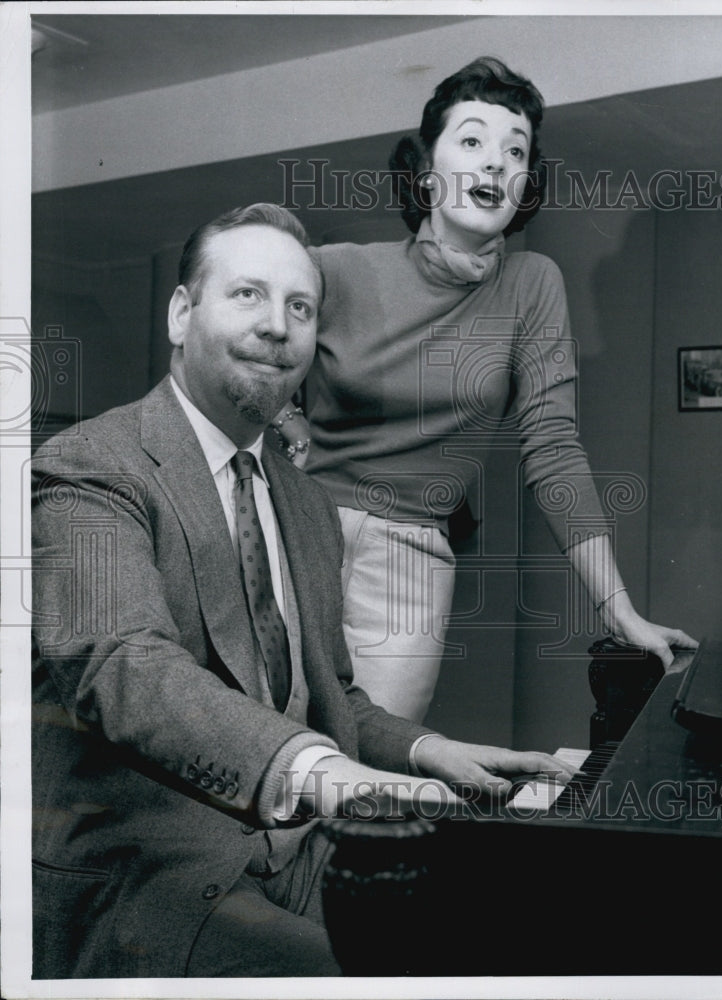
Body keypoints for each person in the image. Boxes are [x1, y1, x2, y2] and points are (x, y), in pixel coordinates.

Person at [31, 203, 579, 980]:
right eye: (247, 294)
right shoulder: (90, 464)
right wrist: (332, 775)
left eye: (300, 307)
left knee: (513, 932)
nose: (278, 326)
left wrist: (433, 751)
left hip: (296, 847)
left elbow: (335, 699)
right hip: (146, 877)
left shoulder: (306, 501)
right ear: (182, 313)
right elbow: (120, 667)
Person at [272, 57, 697, 723]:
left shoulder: (531, 285)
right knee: (260, 760)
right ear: (424, 168)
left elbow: (553, 452)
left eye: (514, 150)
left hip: (410, 558)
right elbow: (236, 351)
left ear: (526, 181)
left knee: (372, 781)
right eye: (471, 140)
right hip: (293, 532)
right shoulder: (338, 270)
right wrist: (289, 423)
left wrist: (622, 614)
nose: (495, 162)